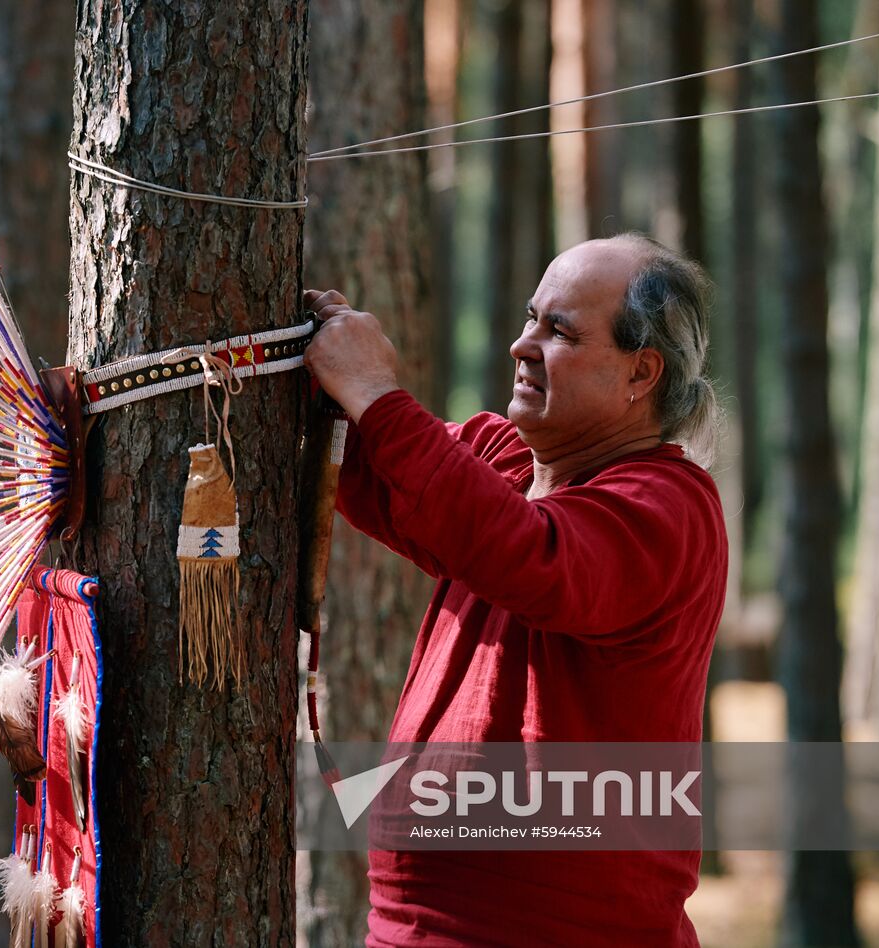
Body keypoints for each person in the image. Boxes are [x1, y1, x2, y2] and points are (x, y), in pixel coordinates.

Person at [302, 233, 728, 947]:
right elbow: (385, 474)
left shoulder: (669, 505)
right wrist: (320, 369)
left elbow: (529, 554)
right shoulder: (509, 463)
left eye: (558, 331)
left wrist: (375, 392)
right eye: (531, 318)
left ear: (640, 375)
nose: (521, 345)